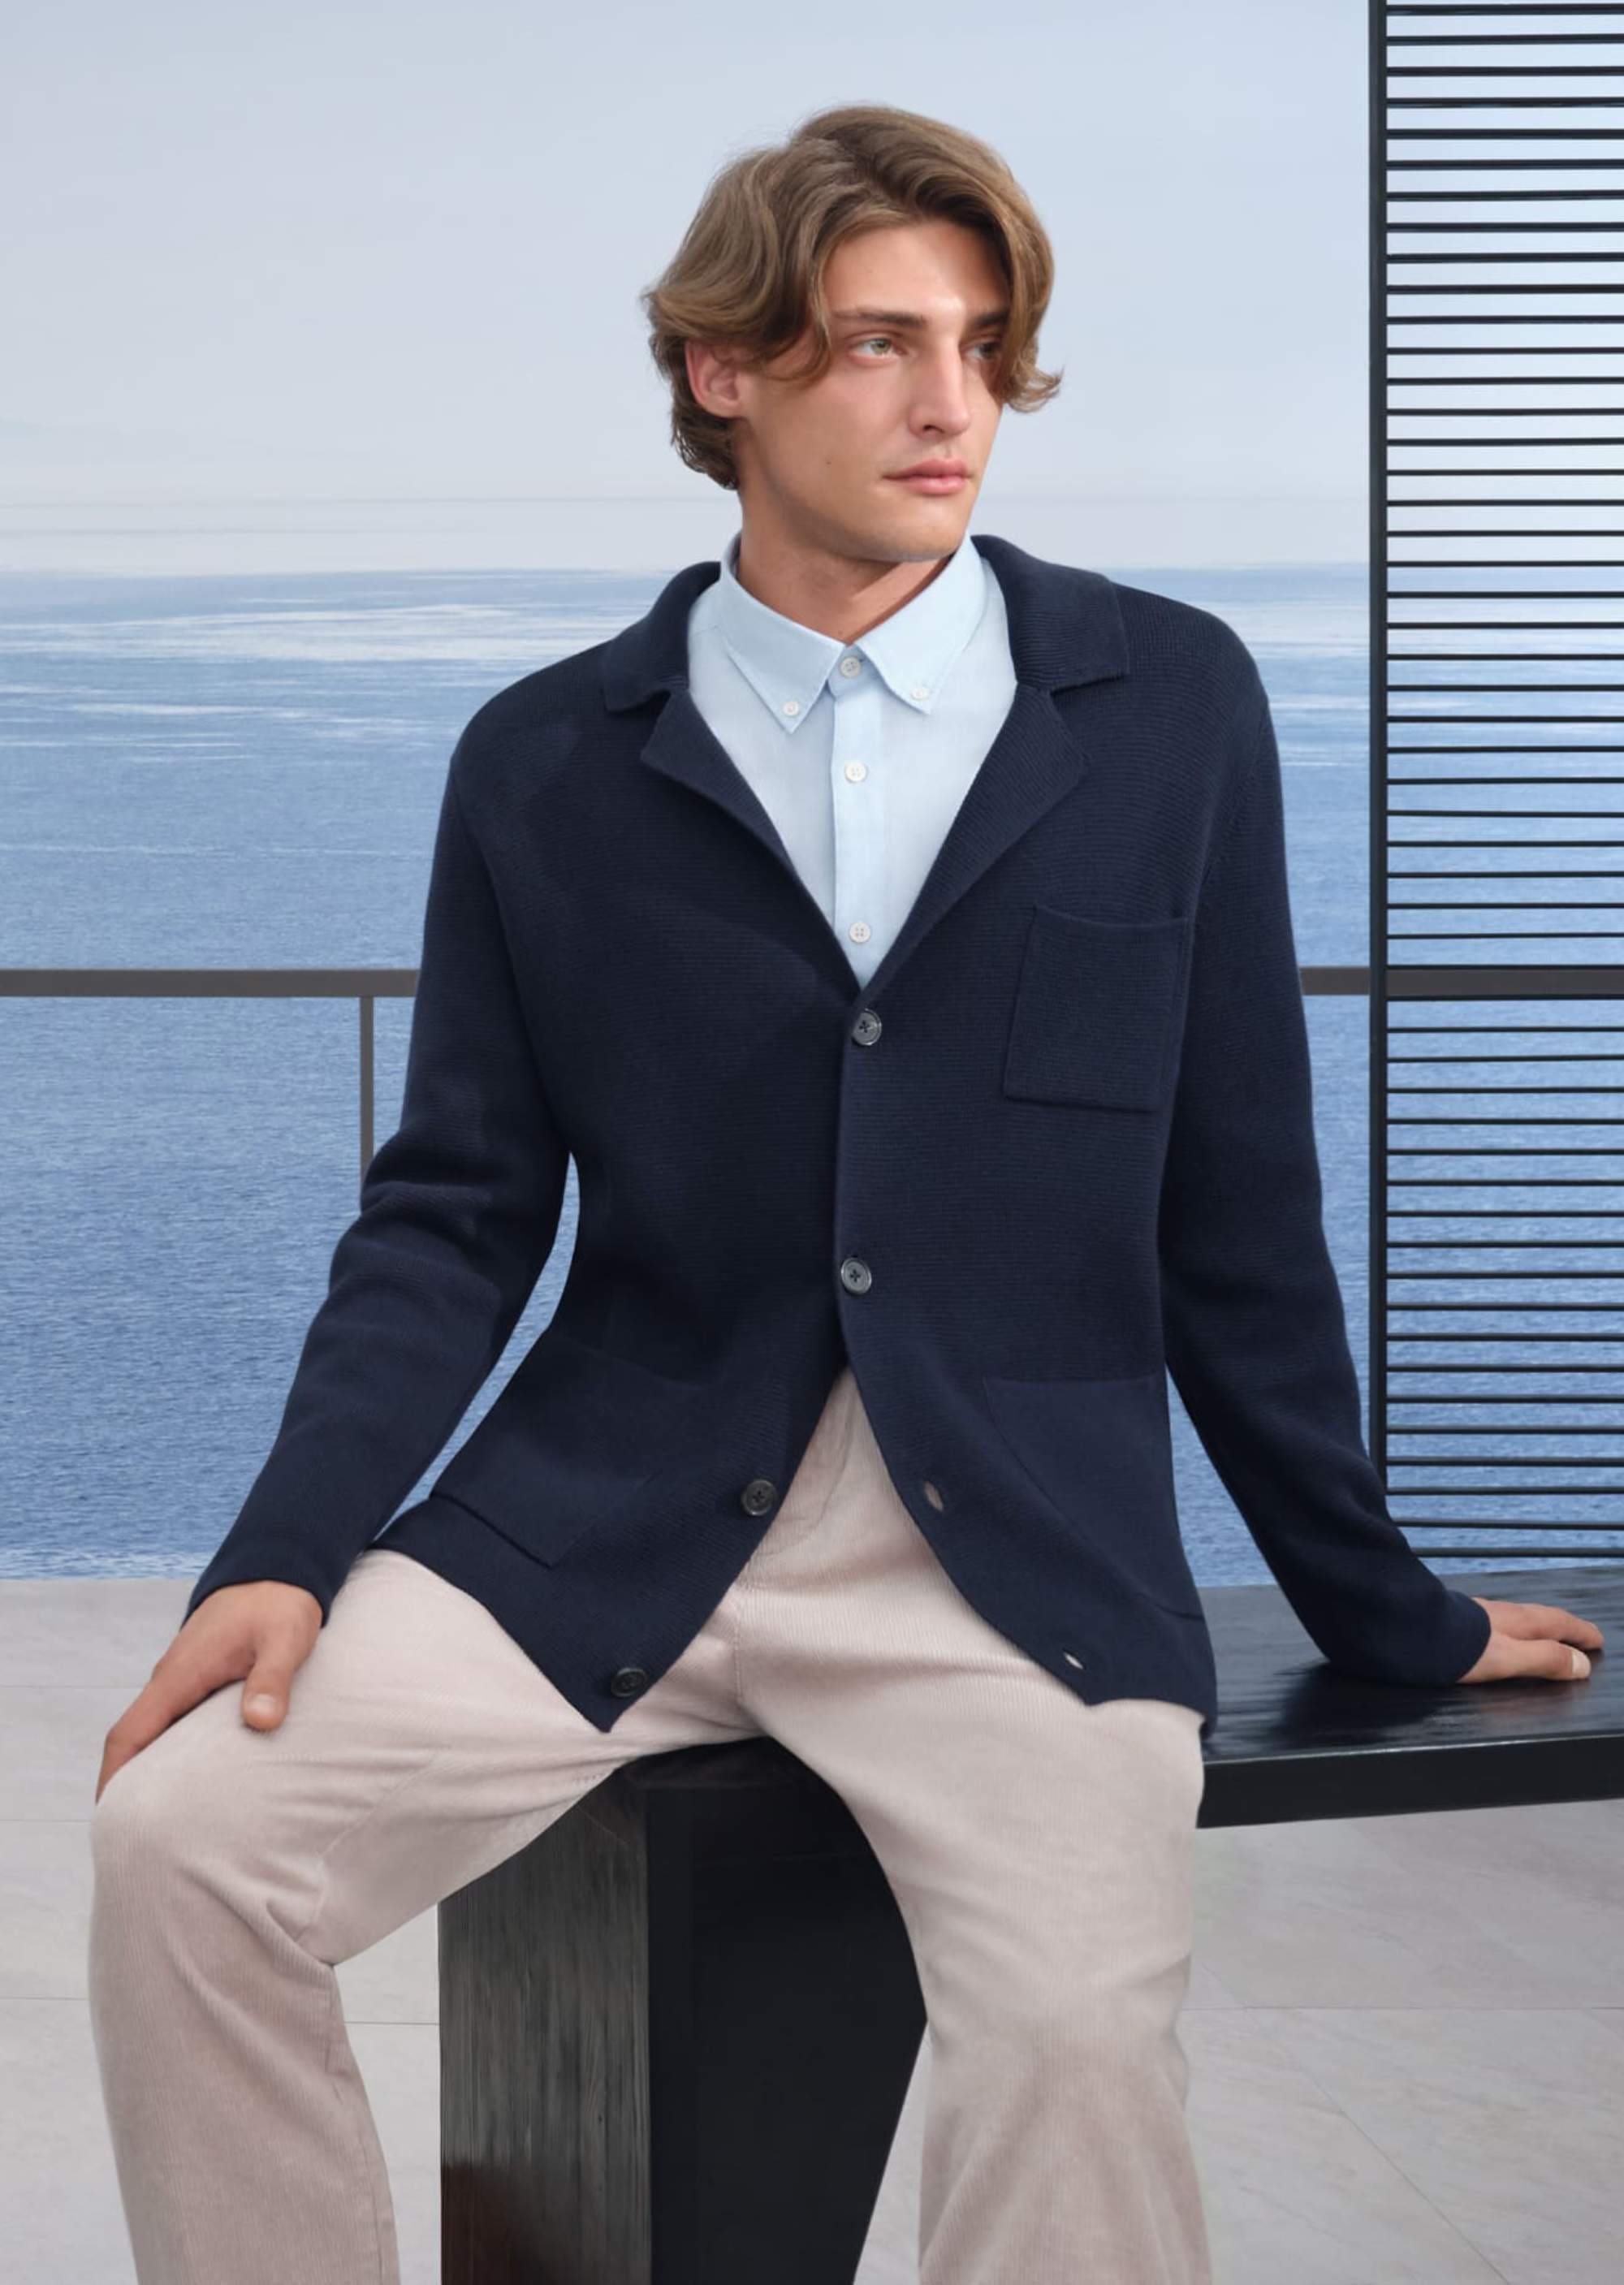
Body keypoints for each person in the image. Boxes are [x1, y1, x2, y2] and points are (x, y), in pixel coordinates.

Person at [86, 100, 1604, 2285]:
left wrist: (1387, 1607)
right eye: (884, 343)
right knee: (182, 1851)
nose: (951, 405)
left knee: (1076, 2050)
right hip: (604, 1518)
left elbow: (1242, 1217)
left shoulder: (1165, 704)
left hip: (1020, 1554)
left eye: (981, 349)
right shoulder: (547, 762)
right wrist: (281, 1551)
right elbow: (455, 1214)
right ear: (726, 369)